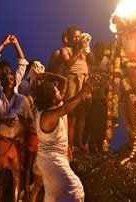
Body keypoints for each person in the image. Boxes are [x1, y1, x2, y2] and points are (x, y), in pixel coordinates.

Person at [33, 72, 100, 201]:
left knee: (54, 196)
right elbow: (65, 108)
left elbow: (64, 81)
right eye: (57, 91)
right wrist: (83, 93)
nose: (60, 92)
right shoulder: (47, 116)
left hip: (53, 159)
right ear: (52, 98)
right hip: (52, 160)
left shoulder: (52, 108)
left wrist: (47, 75)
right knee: (76, 190)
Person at [0, 72, 33, 202]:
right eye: (6, 79)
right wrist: (3, 121)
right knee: (0, 174)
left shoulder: (22, 99)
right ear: (1, 83)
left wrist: (22, 119)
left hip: (17, 141)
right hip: (2, 140)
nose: (9, 81)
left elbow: (30, 121)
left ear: (15, 83)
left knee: (17, 174)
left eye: (11, 79)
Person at [59, 26, 95, 153]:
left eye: (79, 36)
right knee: (71, 114)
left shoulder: (84, 51)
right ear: (68, 38)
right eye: (74, 36)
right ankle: (69, 143)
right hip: (72, 81)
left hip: (84, 81)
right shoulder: (65, 50)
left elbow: (93, 61)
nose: (77, 38)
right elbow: (69, 63)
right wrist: (79, 51)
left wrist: (88, 49)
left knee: (82, 113)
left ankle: (79, 142)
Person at [86, 41, 110, 152]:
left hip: (103, 98)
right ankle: (91, 144)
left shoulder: (107, 61)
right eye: (98, 49)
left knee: (101, 123)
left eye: (103, 50)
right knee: (90, 122)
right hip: (90, 97)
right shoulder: (88, 59)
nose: (101, 52)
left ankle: (100, 147)